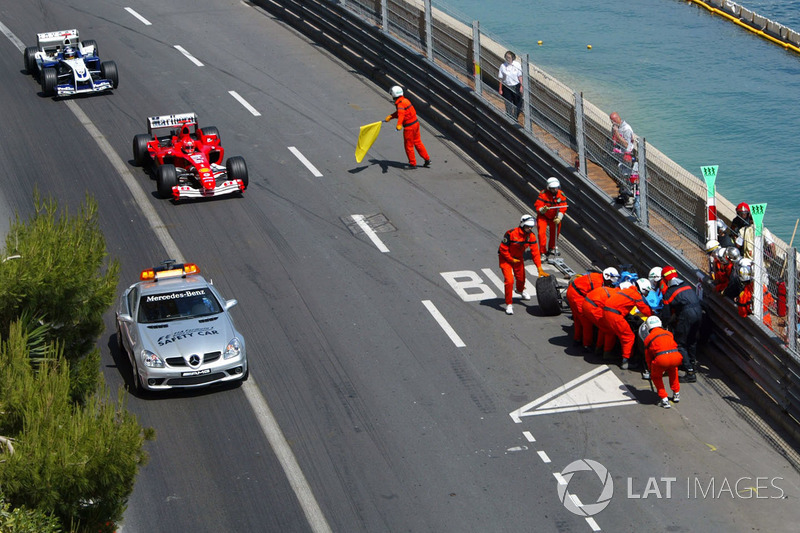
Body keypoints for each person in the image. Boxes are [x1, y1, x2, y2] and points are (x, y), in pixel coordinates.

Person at [659, 266, 702, 383]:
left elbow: (666, 314)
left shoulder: (669, 292)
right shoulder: (687, 285)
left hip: (687, 315)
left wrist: (664, 325)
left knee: (679, 343)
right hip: (699, 312)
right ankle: (691, 364)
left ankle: (690, 373)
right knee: (692, 340)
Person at [498, 218, 548, 315]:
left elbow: (535, 253)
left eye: (531, 227)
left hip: (518, 259)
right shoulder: (510, 233)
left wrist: (539, 268)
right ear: (522, 225)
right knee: (509, 281)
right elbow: (503, 249)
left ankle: (520, 290)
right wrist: (510, 259)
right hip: (506, 259)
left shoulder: (531, 237)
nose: (529, 229)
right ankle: (508, 304)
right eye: (527, 227)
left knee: (521, 279)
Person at [602, 278, 653, 369]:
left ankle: (607, 352)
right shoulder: (636, 295)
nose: (646, 294)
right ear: (643, 289)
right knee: (629, 337)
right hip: (615, 315)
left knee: (611, 333)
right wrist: (653, 315)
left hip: (606, 312)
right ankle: (626, 361)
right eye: (646, 292)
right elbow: (644, 309)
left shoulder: (627, 290)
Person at [638, 316, 682, 408]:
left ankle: (664, 398)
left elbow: (648, 357)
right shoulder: (669, 333)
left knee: (656, 377)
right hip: (676, 356)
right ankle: (676, 393)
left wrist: (650, 369)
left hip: (661, 359)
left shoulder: (648, 339)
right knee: (673, 371)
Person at [566, 267, 613, 349]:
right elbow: (595, 299)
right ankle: (587, 345)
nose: (610, 283)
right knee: (587, 322)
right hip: (577, 297)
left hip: (571, 292)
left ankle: (577, 339)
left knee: (577, 318)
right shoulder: (598, 284)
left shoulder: (597, 275)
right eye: (610, 282)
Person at [385, 86, 431, 169]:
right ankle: (427, 159)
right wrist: (391, 116)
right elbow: (401, 112)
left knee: (408, 145)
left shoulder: (400, 104)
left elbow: (401, 114)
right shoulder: (405, 100)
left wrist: (399, 124)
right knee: (418, 142)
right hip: (416, 124)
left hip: (409, 128)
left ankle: (413, 163)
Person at [582, 272, 621, 356]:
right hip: (591, 308)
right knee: (609, 330)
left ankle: (597, 347)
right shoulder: (615, 296)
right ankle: (607, 353)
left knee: (601, 327)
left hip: (585, 303)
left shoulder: (606, 288)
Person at [534, 177, 568, 260]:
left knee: (555, 233)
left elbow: (563, 208)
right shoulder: (543, 194)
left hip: (555, 217)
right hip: (543, 217)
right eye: (553, 188)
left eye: (556, 188)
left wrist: (559, 217)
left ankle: (552, 248)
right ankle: (542, 252)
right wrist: (542, 210)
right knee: (541, 234)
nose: (555, 190)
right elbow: (538, 206)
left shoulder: (561, 195)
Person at [498, 51, 523, 119]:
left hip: (516, 86)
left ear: (512, 58)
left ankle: (515, 117)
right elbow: (501, 78)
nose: (507, 59)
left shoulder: (517, 65)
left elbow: (520, 76)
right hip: (506, 86)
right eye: (506, 57)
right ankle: (509, 116)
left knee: (517, 103)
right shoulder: (503, 66)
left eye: (509, 57)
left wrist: (521, 86)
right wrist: (500, 89)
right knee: (508, 103)